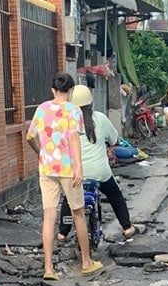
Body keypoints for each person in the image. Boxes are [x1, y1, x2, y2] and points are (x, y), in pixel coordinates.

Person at [26, 71, 102, 280]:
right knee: (78, 213)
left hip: (47, 169)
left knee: (49, 217)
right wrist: (79, 167)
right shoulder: (73, 110)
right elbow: (74, 139)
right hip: (67, 169)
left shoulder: (42, 109)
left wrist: (40, 152)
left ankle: (49, 269)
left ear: (53, 90)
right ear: (70, 91)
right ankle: (86, 262)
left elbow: (29, 136)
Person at [57, 84, 137, 242]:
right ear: (91, 103)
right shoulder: (100, 118)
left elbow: (61, 148)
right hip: (100, 172)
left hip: (76, 172)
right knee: (116, 196)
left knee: (69, 198)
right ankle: (127, 227)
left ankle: (62, 233)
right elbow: (114, 139)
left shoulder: (65, 122)